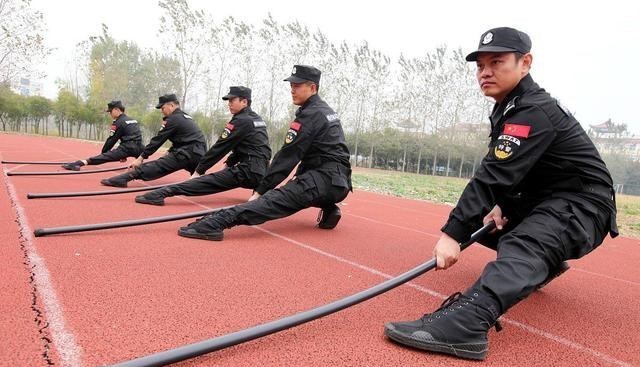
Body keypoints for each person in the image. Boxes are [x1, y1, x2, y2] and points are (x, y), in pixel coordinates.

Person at [384, 27, 618, 361]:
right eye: (480, 66)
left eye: (497, 62)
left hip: (582, 205)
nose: (485, 72)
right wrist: (502, 206)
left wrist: (452, 234)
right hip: (552, 198)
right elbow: (520, 172)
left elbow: (493, 174)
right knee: (487, 220)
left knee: (522, 242)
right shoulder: (510, 107)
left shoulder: (532, 110)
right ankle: (545, 264)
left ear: (525, 63)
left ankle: (467, 325)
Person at [177, 65, 352, 241]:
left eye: (297, 86)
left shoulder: (311, 114)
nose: (292, 90)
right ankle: (331, 208)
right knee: (297, 185)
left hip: (322, 180)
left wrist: (260, 192)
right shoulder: (326, 111)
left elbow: (287, 157)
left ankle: (216, 223)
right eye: (291, 86)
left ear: (313, 88)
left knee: (273, 200)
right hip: (340, 184)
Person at [134, 86, 271, 206]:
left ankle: (162, 193)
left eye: (232, 100)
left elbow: (220, 147)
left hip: (248, 171)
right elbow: (246, 146)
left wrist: (199, 171)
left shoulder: (241, 120)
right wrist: (229, 164)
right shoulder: (257, 119)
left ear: (244, 101)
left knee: (207, 182)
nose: (229, 104)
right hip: (263, 172)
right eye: (228, 101)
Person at [100, 94, 207, 187]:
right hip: (199, 154)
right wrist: (170, 151)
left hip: (186, 153)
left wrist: (140, 158)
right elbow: (187, 138)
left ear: (171, 105)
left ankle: (124, 178)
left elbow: (157, 141)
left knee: (158, 165)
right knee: (199, 181)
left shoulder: (173, 119)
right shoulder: (186, 117)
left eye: (163, 108)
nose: (162, 111)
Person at [62, 100, 144, 171]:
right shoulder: (133, 120)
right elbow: (133, 136)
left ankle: (77, 164)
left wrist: (103, 154)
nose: (110, 114)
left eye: (110, 111)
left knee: (103, 157)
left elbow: (111, 140)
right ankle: (140, 168)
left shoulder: (118, 122)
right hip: (139, 147)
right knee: (142, 157)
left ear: (116, 109)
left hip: (127, 148)